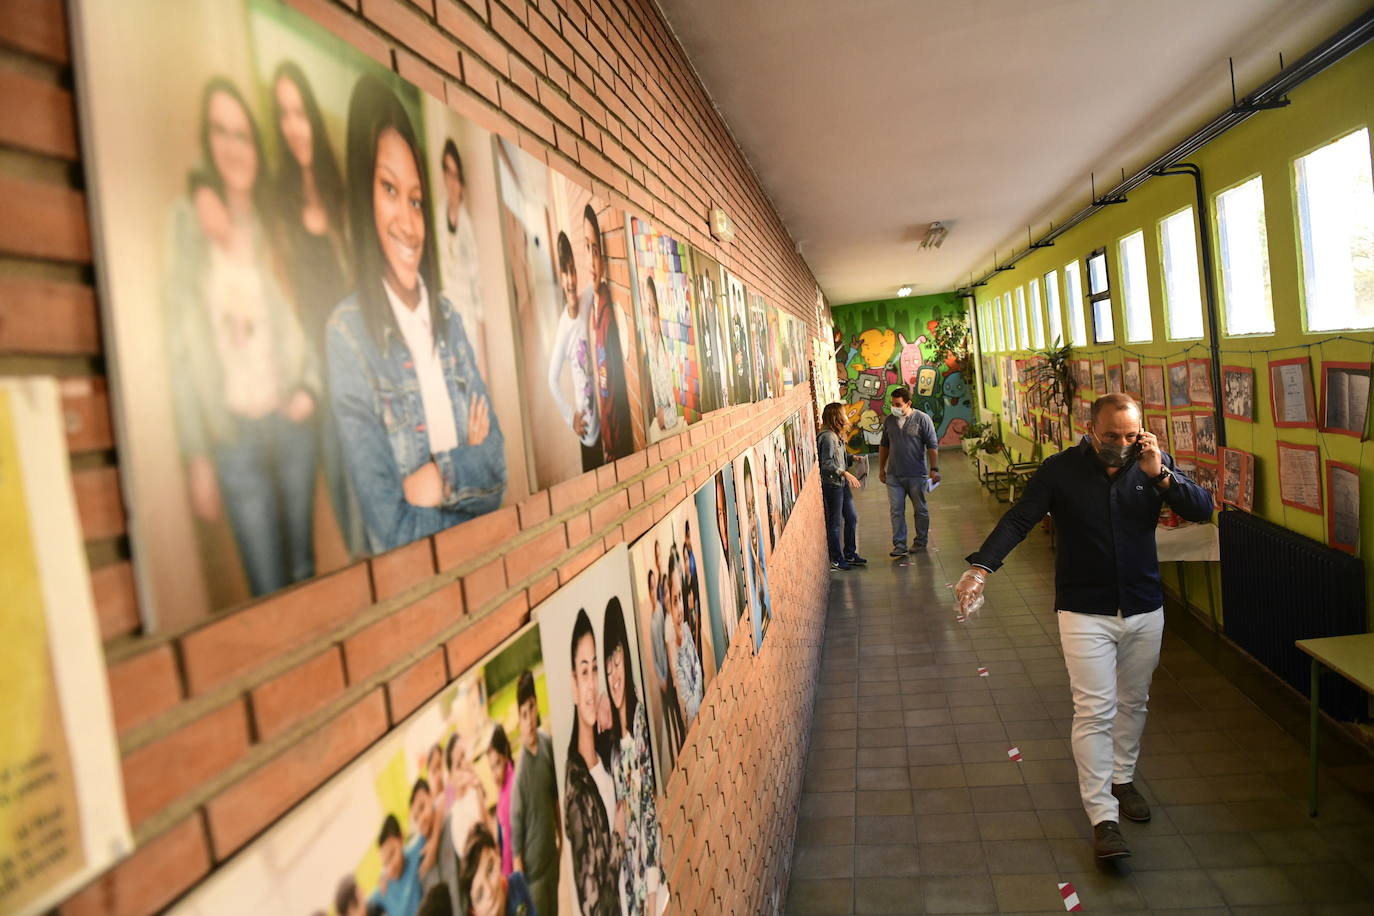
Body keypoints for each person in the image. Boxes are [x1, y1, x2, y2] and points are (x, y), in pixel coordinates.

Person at [955, 393, 1213, 860]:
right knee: (1095, 710)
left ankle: (1123, 779)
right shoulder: (1060, 470)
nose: (1122, 443)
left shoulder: (1153, 465)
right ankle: (1103, 817)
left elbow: (1201, 509)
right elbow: (1019, 519)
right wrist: (981, 569)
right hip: (1083, 610)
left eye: (1131, 435)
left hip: (1142, 606)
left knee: (1133, 701)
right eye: (1112, 435)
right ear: (1090, 428)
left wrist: (1160, 474)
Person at [327, 75, 506, 554]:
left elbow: (497, 473)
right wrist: (464, 473)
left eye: (416, 200)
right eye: (388, 189)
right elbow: (387, 528)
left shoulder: (447, 318)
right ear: (362, 200)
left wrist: (434, 480)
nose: (409, 222)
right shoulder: (348, 337)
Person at [167, 77, 319, 597]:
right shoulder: (188, 226)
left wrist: (309, 390)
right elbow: (179, 351)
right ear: (208, 143)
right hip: (235, 443)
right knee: (268, 591)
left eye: (242, 133)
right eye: (220, 132)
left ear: (256, 144)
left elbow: (312, 308)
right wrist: (197, 456)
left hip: (291, 428)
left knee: (303, 576)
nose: (233, 145)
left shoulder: (275, 222)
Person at [268, 61, 365, 558]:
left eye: (300, 112)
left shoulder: (340, 196)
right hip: (313, 380)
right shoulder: (277, 207)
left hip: (355, 370)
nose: (293, 125)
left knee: (376, 497)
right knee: (348, 522)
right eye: (283, 115)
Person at [601, 597, 666, 915]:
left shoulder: (639, 726)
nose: (614, 675)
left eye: (618, 660)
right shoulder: (614, 747)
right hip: (632, 894)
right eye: (607, 665)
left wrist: (652, 903)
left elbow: (649, 817)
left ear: (626, 656)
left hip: (649, 894)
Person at [563, 610, 621, 915]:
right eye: (584, 671)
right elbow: (594, 903)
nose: (591, 683)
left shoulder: (602, 755)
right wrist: (620, 839)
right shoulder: (576, 788)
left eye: (595, 669)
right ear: (573, 683)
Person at [582, 205, 634, 463]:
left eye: (596, 250)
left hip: (618, 450)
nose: (591, 260)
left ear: (602, 259)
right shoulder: (591, 309)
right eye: (586, 248)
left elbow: (613, 389)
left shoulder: (607, 312)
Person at [435, 139, 488, 380]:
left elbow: (477, 284)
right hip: (447, 314)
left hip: (467, 317)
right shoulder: (437, 215)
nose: (452, 181)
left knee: (472, 381)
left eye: (456, 173)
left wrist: (481, 339)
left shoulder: (467, 224)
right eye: (447, 172)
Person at [548, 231, 599, 471]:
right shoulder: (563, 327)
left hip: (604, 420)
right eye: (564, 273)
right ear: (560, 278)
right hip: (587, 433)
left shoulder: (587, 298)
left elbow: (597, 281)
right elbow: (552, 380)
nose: (570, 279)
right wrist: (571, 419)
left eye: (572, 270)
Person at [510, 671, 560, 916]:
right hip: (534, 878)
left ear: (537, 704)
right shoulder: (520, 775)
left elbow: (554, 797)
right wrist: (523, 897)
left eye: (531, 708)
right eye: (523, 714)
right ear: (518, 719)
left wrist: (561, 837)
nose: (529, 719)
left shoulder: (545, 743)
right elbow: (516, 844)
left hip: (552, 860)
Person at [878, 387, 940, 558]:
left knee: (920, 509)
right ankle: (899, 545)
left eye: (898, 404)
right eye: (892, 404)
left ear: (908, 403)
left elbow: (932, 446)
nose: (894, 407)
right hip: (894, 475)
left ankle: (921, 541)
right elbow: (884, 445)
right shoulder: (889, 421)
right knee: (896, 510)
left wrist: (934, 469)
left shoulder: (922, 419)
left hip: (916, 474)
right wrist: (881, 469)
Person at [818, 403, 864, 571]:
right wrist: (844, 473)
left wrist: (852, 458)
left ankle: (850, 554)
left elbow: (840, 457)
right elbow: (826, 463)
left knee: (851, 517)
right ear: (836, 417)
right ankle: (837, 559)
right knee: (835, 523)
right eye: (843, 414)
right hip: (833, 485)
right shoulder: (828, 437)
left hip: (841, 483)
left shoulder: (836, 435)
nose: (846, 417)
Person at [459, 824, 536, 916]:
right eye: (480, 895)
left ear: (498, 854)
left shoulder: (517, 883)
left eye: (490, 869)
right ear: (473, 912)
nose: (489, 891)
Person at [413, 777, 462, 915]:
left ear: (431, 798)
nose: (421, 819)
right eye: (415, 818)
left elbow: (452, 787)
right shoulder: (421, 860)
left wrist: (434, 840)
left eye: (422, 807)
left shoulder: (451, 822)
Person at [665, 548, 703, 726]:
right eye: (674, 600)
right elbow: (689, 707)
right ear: (669, 607)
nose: (680, 608)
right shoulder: (673, 650)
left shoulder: (686, 631)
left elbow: (699, 670)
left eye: (680, 597)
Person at [641, 276, 679, 434]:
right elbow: (657, 409)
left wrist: (665, 417)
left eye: (654, 313)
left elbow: (674, 413)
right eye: (648, 312)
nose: (651, 321)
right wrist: (661, 415)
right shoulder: (650, 350)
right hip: (662, 432)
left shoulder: (668, 352)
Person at [373, 813, 426, 916]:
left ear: (401, 838)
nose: (390, 867)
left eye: (392, 854)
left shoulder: (415, 851)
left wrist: (434, 841)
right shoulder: (384, 887)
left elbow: (439, 805)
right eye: (385, 863)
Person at [485, 725, 516, 876]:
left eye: (497, 764)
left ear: (505, 757)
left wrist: (506, 874)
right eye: (491, 768)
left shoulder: (510, 789)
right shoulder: (503, 789)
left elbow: (510, 839)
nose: (494, 774)